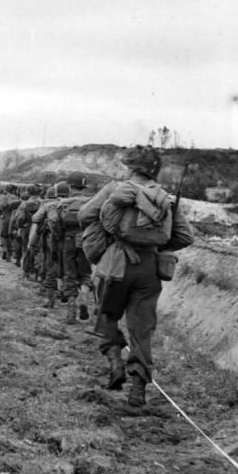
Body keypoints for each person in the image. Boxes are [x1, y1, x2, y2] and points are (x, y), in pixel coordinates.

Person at [78, 145, 194, 407]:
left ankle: (115, 363)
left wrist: (109, 234)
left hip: (115, 264)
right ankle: (138, 389)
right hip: (149, 269)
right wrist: (155, 247)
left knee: (107, 314)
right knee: (141, 329)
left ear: (130, 167)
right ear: (155, 171)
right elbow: (185, 236)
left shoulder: (115, 190)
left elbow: (85, 214)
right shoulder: (166, 198)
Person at [56, 172, 93, 324]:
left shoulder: (63, 203)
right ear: (84, 186)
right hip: (86, 240)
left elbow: (54, 222)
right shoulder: (92, 202)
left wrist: (59, 236)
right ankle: (83, 296)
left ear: (70, 186)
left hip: (68, 240)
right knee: (85, 271)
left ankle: (71, 309)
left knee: (69, 273)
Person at [28, 184, 61, 307]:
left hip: (50, 239)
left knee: (49, 263)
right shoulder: (70, 204)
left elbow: (35, 219)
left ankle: (48, 293)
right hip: (73, 241)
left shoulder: (48, 205)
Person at [0, 185, 20, 261]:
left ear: (6, 190)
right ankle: (11, 251)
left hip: (5, 216)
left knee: (2, 234)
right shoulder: (17, 198)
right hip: (14, 217)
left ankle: (5, 249)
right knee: (12, 234)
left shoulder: (2, 198)